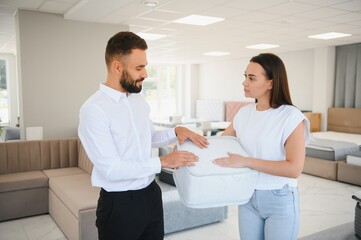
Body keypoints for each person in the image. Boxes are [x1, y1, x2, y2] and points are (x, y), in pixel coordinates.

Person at [78, 31, 208, 240]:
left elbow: (148, 137)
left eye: (145, 66)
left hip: (151, 195)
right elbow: (111, 169)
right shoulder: (94, 110)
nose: (145, 74)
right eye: (139, 68)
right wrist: (163, 161)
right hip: (119, 205)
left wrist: (175, 132)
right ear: (117, 67)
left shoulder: (137, 100)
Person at [213, 53, 310, 240]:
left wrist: (246, 162)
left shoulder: (291, 117)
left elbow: (294, 169)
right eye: (245, 76)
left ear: (271, 83)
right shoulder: (244, 113)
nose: (244, 83)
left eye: (251, 78)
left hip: (280, 198)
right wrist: (188, 147)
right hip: (248, 196)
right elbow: (219, 143)